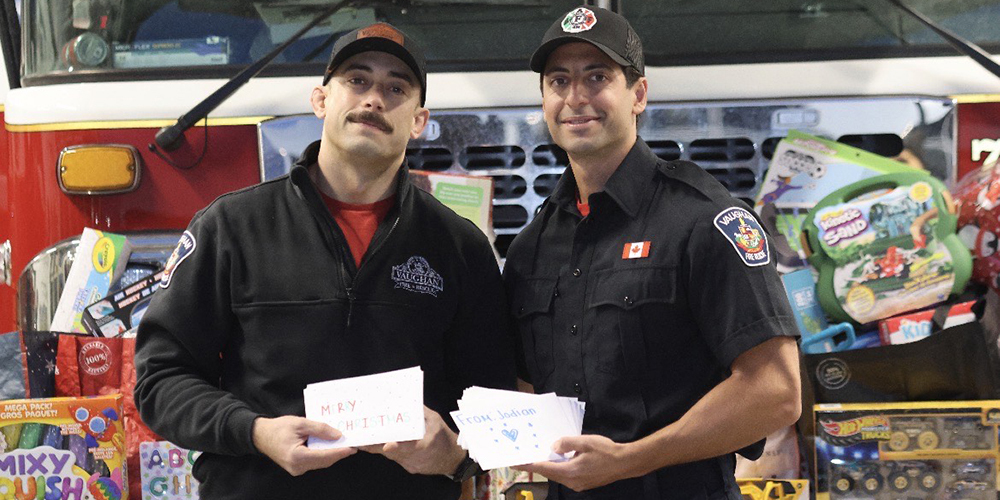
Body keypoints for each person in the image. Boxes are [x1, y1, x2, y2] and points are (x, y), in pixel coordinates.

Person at [134, 22, 515, 500]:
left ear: (418, 119)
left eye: (396, 88)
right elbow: (160, 380)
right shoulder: (231, 227)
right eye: (357, 80)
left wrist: (457, 455)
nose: (374, 99)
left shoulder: (460, 247)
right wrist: (254, 431)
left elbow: (494, 404)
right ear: (320, 101)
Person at [502, 7, 802, 499]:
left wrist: (630, 461)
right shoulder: (532, 245)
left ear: (638, 94)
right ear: (543, 100)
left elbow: (775, 391)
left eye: (596, 77)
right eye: (558, 81)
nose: (576, 98)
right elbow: (523, 385)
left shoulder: (703, 218)